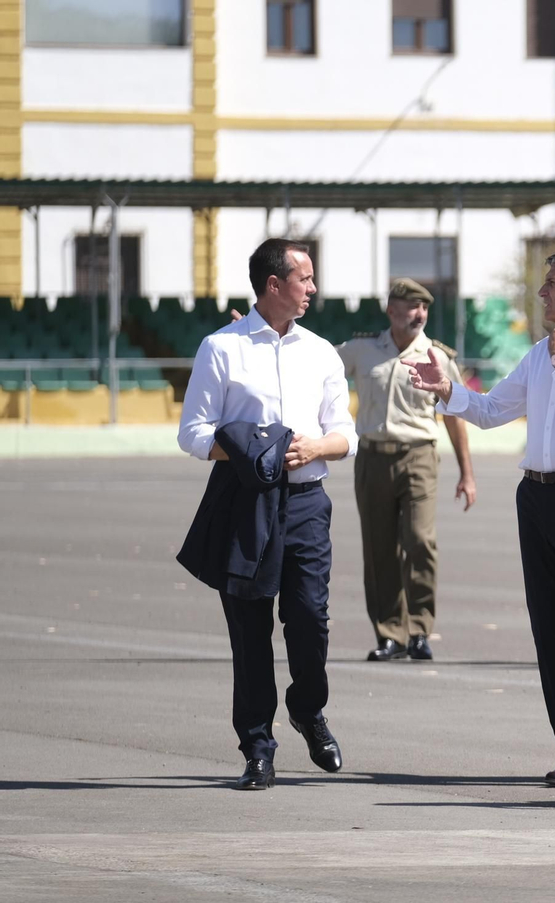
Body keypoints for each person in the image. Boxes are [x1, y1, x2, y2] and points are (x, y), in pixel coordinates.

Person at [405, 249, 555, 787]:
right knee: (548, 625)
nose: (541, 294)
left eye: (551, 284)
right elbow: (491, 411)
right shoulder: (540, 352)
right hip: (536, 494)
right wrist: (447, 391)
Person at [177, 238, 357, 790]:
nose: (313, 288)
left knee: (309, 620)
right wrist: (259, 449)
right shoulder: (222, 348)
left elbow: (345, 433)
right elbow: (193, 435)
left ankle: (307, 707)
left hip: (306, 502)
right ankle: (257, 745)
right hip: (244, 503)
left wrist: (315, 449)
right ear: (273, 285)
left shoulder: (321, 351)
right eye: (304, 278)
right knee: (249, 632)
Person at [339, 278, 476, 663]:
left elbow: (455, 415)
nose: (419, 314)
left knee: (419, 541)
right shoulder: (361, 350)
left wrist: (467, 473)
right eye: (412, 306)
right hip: (372, 457)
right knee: (379, 547)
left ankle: (419, 630)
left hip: (419, 456)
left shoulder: (436, 356)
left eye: (424, 308)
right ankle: (390, 635)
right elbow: (315, 365)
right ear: (391, 310)